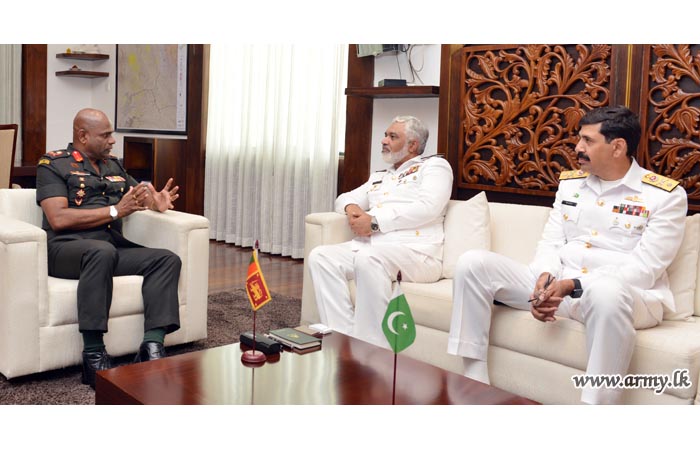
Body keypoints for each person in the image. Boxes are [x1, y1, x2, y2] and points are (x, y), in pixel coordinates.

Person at [447, 106, 688, 404]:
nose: (578, 148)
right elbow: (551, 242)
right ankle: (473, 378)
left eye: (588, 141)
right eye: (579, 139)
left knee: (606, 291)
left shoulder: (663, 196)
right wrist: (546, 278)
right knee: (473, 263)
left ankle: (595, 406)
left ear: (617, 147)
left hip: (623, 299)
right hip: (562, 288)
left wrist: (571, 286)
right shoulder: (571, 184)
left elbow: (645, 269)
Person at [36, 108, 182, 388]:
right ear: (83, 136)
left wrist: (156, 202)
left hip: (108, 248)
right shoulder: (53, 164)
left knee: (166, 259)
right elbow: (58, 219)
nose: (112, 140)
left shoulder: (113, 165)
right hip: (64, 250)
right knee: (100, 252)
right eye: (105, 135)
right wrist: (115, 211)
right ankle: (93, 355)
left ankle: (152, 346)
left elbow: (139, 196)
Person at [307, 116, 453, 347]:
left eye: (392, 136)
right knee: (321, 256)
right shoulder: (381, 176)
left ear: (412, 145)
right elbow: (344, 198)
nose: (384, 140)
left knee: (368, 257)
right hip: (375, 248)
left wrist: (375, 222)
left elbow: (429, 207)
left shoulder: (435, 167)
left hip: (418, 253)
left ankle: (371, 349)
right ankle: (342, 339)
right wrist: (352, 208)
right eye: (385, 135)